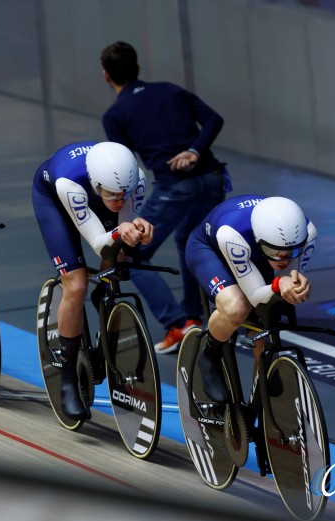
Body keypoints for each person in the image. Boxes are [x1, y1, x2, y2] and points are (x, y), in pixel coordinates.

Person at [100, 41, 230, 354]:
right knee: (192, 244)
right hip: (212, 179)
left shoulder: (115, 114)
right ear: (138, 68)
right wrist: (194, 151)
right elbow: (214, 120)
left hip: (174, 187)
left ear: (106, 76)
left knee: (128, 255)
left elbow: (124, 165)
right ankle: (197, 317)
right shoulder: (171, 90)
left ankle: (177, 322)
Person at [32, 141, 153, 420]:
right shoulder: (69, 183)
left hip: (95, 195)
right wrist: (119, 231)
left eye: (125, 194)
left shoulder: (136, 179)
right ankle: (67, 379)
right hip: (54, 201)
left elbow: (125, 224)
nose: (120, 201)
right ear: (98, 184)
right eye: (113, 195)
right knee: (75, 285)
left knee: (120, 258)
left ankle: (105, 297)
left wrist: (139, 230)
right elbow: (99, 243)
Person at [185, 195, 317, 401]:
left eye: (292, 252)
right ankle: (209, 356)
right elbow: (256, 296)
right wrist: (277, 284)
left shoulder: (307, 234)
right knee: (237, 306)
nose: (285, 259)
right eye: (278, 253)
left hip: (256, 253)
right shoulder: (231, 234)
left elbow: (287, 278)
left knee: (272, 314)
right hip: (211, 249)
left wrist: (295, 287)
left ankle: (260, 403)